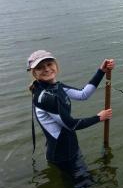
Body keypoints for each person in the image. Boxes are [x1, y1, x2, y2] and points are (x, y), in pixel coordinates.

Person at [27, 50, 114, 178]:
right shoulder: (45, 97)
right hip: (62, 155)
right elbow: (71, 125)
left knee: (83, 186)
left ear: (56, 65)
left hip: (70, 148)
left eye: (49, 64)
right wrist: (99, 117)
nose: (46, 69)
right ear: (34, 72)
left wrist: (101, 71)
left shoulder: (57, 86)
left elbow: (83, 94)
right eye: (40, 67)